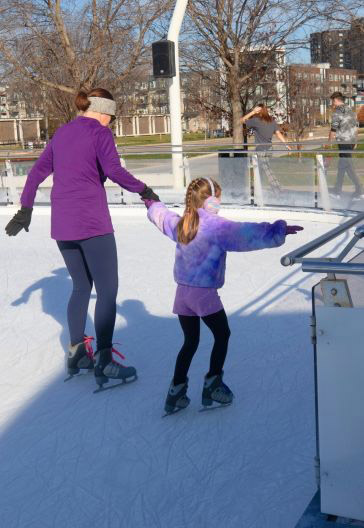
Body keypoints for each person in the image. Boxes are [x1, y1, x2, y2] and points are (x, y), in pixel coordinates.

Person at [5, 87, 159, 391]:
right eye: (111, 118)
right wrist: (144, 190)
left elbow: (36, 173)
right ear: (104, 111)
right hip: (92, 222)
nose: (110, 124)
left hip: (63, 224)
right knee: (106, 291)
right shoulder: (100, 133)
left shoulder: (62, 133)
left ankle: (77, 353)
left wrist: (25, 208)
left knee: (80, 286)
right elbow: (114, 170)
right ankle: (104, 360)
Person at [143, 177, 303, 414]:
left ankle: (176, 391)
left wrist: (151, 202)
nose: (219, 202)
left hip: (182, 294)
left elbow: (162, 216)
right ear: (208, 200)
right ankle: (213, 383)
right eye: (217, 197)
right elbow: (246, 234)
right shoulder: (216, 227)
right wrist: (277, 230)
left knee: (190, 342)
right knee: (222, 334)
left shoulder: (183, 223)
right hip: (204, 294)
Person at [240, 104, 291, 195]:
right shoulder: (272, 121)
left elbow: (242, 120)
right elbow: (278, 134)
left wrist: (252, 112)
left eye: (257, 110)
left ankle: (278, 189)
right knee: (259, 169)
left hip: (261, 149)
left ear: (259, 111)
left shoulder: (256, 121)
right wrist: (286, 144)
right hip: (269, 149)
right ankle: (254, 189)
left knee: (266, 169)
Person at [327, 91, 363, 200]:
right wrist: (355, 141)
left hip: (343, 142)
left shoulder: (337, 112)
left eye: (332, 101)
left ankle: (356, 190)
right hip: (351, 142)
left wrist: (328, 143)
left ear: (335, 100)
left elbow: (333, 129)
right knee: (345, 166)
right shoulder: (350, 110)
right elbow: (355, 127)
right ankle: (341, 190)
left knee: (345, 165)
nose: (332, 104)